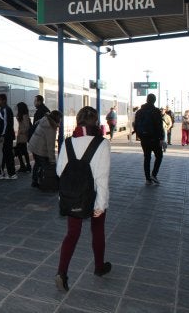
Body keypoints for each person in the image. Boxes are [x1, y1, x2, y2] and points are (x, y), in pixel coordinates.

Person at [55, 106, 111, 291]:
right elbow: (102, 177)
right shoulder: (102, 143)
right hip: (94, 196)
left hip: (74, 196)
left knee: (72, 234)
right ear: (95, 122)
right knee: (97, 231)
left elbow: (60, 171)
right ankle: (99, 267)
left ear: (78, 121)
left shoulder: (68, 142)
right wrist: (101, 204)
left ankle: (61, 272)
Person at [133, 93, 165, 185]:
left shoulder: (139, 112)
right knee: (159, 156)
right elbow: (159, 126)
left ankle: (147, 179)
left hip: (144, 139)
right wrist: (161, 138)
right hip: (154, 139)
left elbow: (135, 124)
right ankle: (153, 175)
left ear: (147, 100)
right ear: (154, 101)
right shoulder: (156, 111)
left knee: (147, 157)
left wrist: (139, 135)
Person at [28, 110, 62, 188]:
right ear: (57, 118)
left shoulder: (45, 119)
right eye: (60, 119)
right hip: (40, 148)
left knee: (37, 163)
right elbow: (51, 146)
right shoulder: (50, 127)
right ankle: (43, 181)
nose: (61, 120)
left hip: (34, 145)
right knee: (44, 166)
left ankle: (35, 181)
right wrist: (52, 160)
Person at [0, 93, 17, 179]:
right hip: (7, 135)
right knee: (6, 154)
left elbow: (6, 124)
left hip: (6, 136)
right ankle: (7, 172)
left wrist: (2, 135)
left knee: (5, 154)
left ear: (4, 100)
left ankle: (7, 173)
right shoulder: (3, 109)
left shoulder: (5, 110)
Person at [15, 102, 32, 173]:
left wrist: (21, 131)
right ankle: (26, 166)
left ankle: (25, 166)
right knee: (22, 151)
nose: (17, 109)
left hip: (23, 136)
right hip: (21, 136)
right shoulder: (22, 115)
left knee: (21, 151)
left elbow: (27, 127)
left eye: (18, 108)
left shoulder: (24, 116)